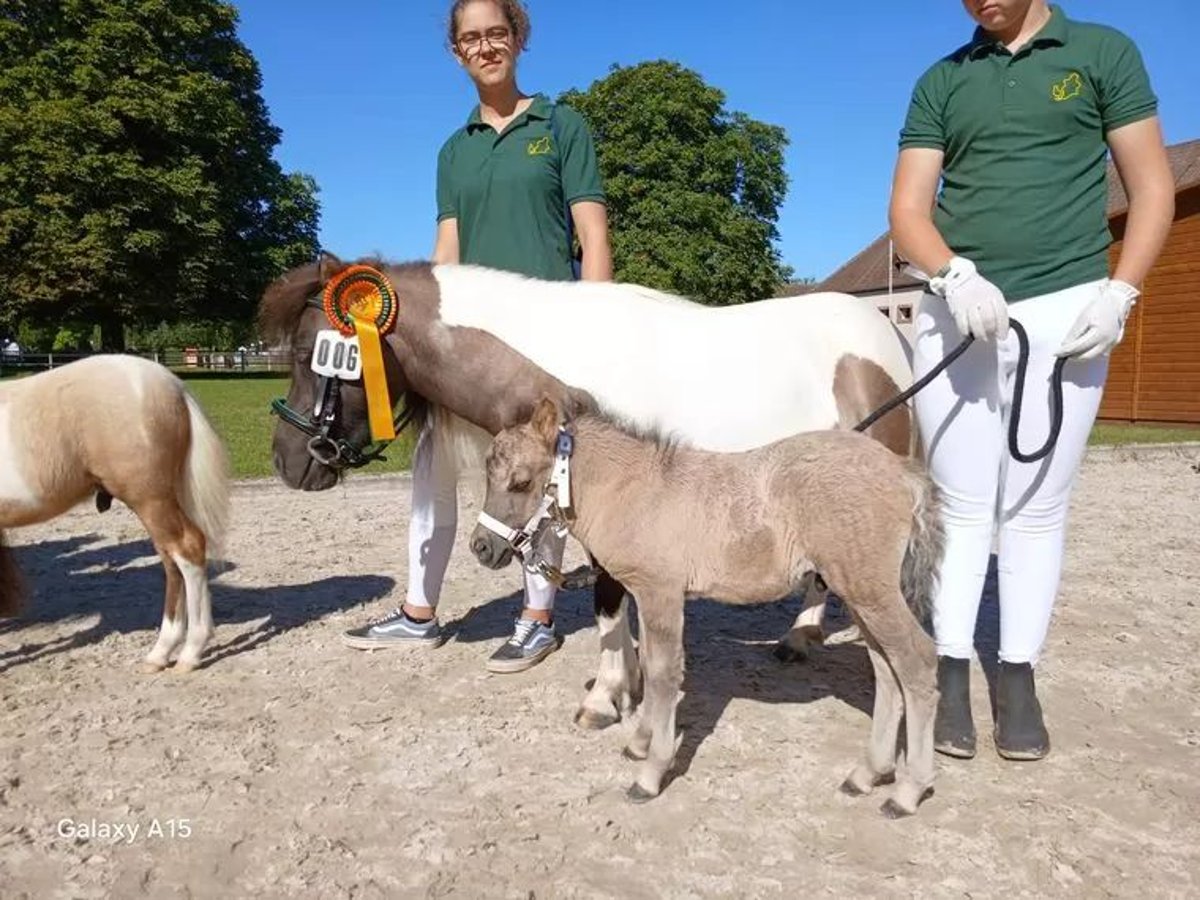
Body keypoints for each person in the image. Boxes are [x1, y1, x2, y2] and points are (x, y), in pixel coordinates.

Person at [888, 1, 1174, 760]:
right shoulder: (942, 80)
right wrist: (952, 274)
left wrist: (1121, 292)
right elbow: (909, 209)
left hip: (1066, 305)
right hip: (964, 307)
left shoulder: (1102, 53)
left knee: (1037, 506)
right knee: (960, 504)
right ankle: (949, 671)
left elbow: (1151, 188)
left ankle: (1017, 676)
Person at [342, 0, 613, 673]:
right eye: (471, 37)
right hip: (467, 345)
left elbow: (593, 233)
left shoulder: (563, 125)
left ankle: (537, 616)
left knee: (538, 476)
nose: (485, 46)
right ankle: (418, 613)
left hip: (544, 336)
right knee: (432, 469)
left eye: (496, 32)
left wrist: (598, 323)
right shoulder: (452, 150)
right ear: (456, 51)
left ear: (518, 38)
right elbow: (448, 249)